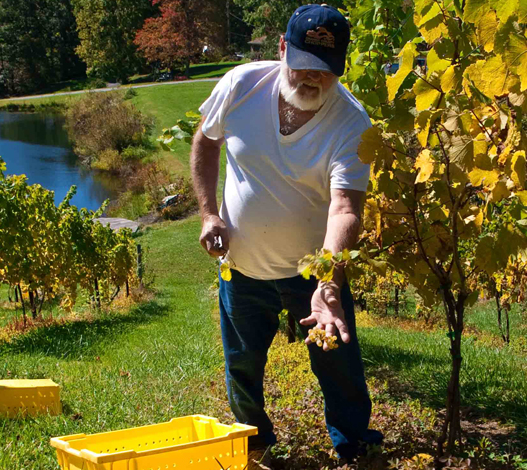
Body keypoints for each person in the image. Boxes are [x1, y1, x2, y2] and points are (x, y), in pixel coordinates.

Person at [189, 3, 382, 466]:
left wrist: (329, 284)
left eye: (327, 71)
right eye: (304, 66)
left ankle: (354, 446)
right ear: (281, 49)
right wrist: (208, 213)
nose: (313, 79)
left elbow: (345, 208)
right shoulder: (240, 85)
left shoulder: (352, 124)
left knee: (339, 365)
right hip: (242, 265)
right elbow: (205, 140)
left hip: (312, 275)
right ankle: (255, 446)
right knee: (242, 365)